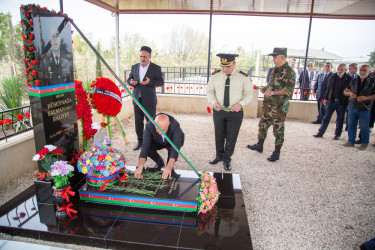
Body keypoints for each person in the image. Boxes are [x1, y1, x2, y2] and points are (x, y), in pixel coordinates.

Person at [247, 48, 296, 162]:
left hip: (279, 108)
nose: (273, 59)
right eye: (273, 57)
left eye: (275, 57)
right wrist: (265, 89)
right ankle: (259, 145)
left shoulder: (290, 72)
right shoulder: (274, 70)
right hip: (268, 105)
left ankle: (276, 152)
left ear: (283, 57)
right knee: (262, 125)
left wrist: (272, 93)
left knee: (278, 130)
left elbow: (288, 90)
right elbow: (271, 85)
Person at [206, 53, 253, 171]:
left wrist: (240, 104)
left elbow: (249, 94)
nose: (225, 69)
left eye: (228, 66)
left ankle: (227, 160)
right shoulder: (215, 76)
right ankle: (219, 156)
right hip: (219, 110)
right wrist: (213, 102)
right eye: (223, 66)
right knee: (219, 134)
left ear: (234, 64)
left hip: (235, 112)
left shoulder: (243, 77)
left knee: (231, 137)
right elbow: (210, 91)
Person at [127, 46, 164, 151]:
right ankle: (140, 142)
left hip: (149, 101)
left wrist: (149, 82)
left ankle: (151, 143)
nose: (142, 59)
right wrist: (131, 82)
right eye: (140, 56)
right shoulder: (134, 67)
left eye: (144, 57)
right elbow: (129, 79)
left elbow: (160, 82)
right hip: (137, 100)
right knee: (138, 123)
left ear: (149, 56)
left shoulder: (156, 68)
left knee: (151, 123)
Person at [134, 113, 184, 180]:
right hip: (157, 141)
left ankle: (168, 168)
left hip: (172, 141)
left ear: (169, 123)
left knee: (171, 152)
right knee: (148, 148)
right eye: (157, 129)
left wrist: (169, 167)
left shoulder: (175, 125)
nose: (160, 132)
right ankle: (159, 162)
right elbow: (145, 147)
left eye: (163, 130)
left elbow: (175, 149)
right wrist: (140, 167)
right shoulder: (149, 126)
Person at [313, 64, 353, 140]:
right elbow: (328, 89)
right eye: (338, 69)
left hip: (342, 102)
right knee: (326, 117)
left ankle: (337, 134)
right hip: (331, 100)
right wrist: (325, 98)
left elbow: (350, 91)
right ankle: (320, 133)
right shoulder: (333, 77)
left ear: (345, 70)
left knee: (340, 119)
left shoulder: (349, 79)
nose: (339, 71)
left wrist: (348, 103)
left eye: (341, 69)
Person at [343, 64, 375, 150]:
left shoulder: (373, 81)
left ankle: (364, 143)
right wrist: (350, 94)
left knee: (364, 126)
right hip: (352, 106)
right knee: (351, 125)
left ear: (369, 72)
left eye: (365, 70)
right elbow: (345, 91)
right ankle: (351, 141)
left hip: (365, 108)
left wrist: (366, 98)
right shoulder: (354, 80)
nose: (362, 72)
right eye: (361, 70)